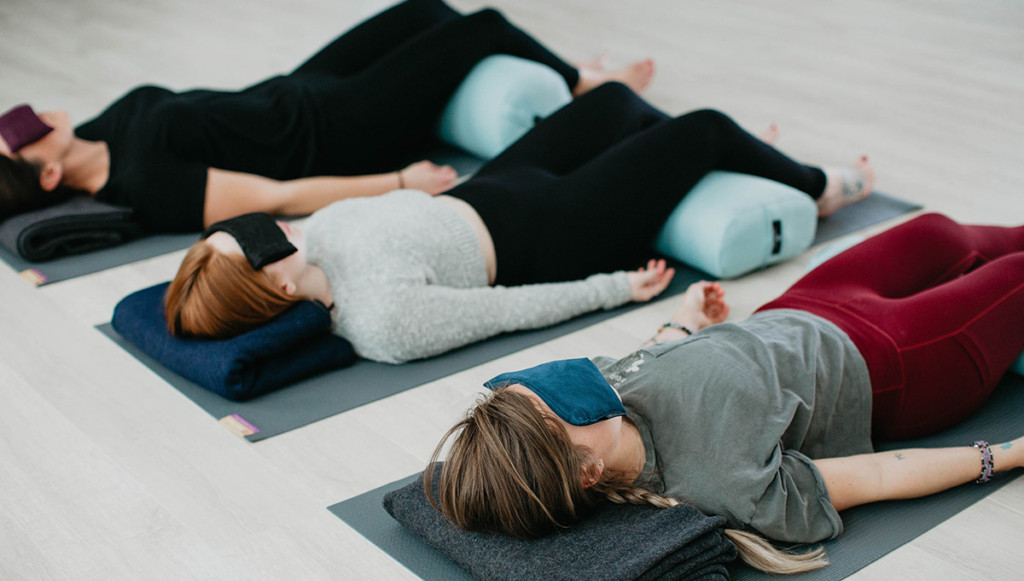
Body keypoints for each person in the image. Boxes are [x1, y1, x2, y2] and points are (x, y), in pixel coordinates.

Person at [426, 212, 1024, 573]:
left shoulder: (601, 395)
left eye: (528, 391)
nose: (551, 387)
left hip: (805, 306)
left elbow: (644, 358)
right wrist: (1007, 455)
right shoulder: (722, 482)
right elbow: (880, 475)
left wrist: (685, 321)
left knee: (937, 232)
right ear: (588, 473)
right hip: (896, 364)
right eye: (552, 408)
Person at [165, 83, 874, 364]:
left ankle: (729, 165)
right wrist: (614, 289)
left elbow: (333, 209)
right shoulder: (379, 322)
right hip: (558, 234)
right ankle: (817, 190)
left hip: (494, 188)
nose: (267, 228)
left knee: (617, 102)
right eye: (256, 246)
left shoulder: (311, 236)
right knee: (707, 126)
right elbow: (506, 312)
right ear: (276, 292)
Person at [0, 0, 656, 232]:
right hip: (338, 131)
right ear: (50, 175)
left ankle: (578, 74)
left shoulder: (92, 133)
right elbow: (278, 197)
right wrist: (398, 183)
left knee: (426, 7)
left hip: (300, 89)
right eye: (26, 137)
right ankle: (587, 85)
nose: (32, 119)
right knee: (482, 24)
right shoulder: (148, 187)